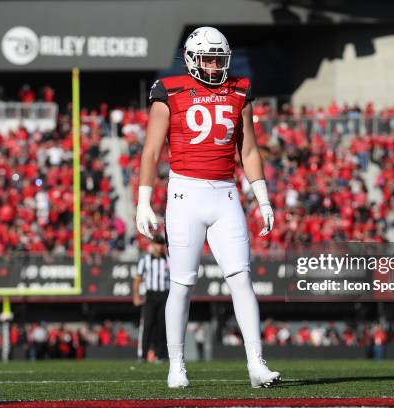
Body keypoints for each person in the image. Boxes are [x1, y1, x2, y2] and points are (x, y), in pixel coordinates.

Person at [136, 26, 280, 389]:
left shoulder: (238, 91)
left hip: (226, 194)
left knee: (241, 278)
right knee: (182, 284)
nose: (215, 65)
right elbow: (151, 151)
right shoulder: (169, 90)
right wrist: (143, 200)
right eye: (208, 58)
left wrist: (262, 198)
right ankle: (176, 365)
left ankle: (256, 363)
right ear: (191, 59)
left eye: (220, 58)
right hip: (185, 194)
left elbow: (248, 150)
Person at [133, 235, 170, 362]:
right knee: (147, 326)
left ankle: (160, 355)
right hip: (151, 295)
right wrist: (136, 296)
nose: (159, 247)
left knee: (162, 326)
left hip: (164, 294)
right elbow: (137, 280)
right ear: (153, 245)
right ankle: (143, 355)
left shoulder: (168, 260)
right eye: (157, 244)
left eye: (161, 244)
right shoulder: (145, 260)